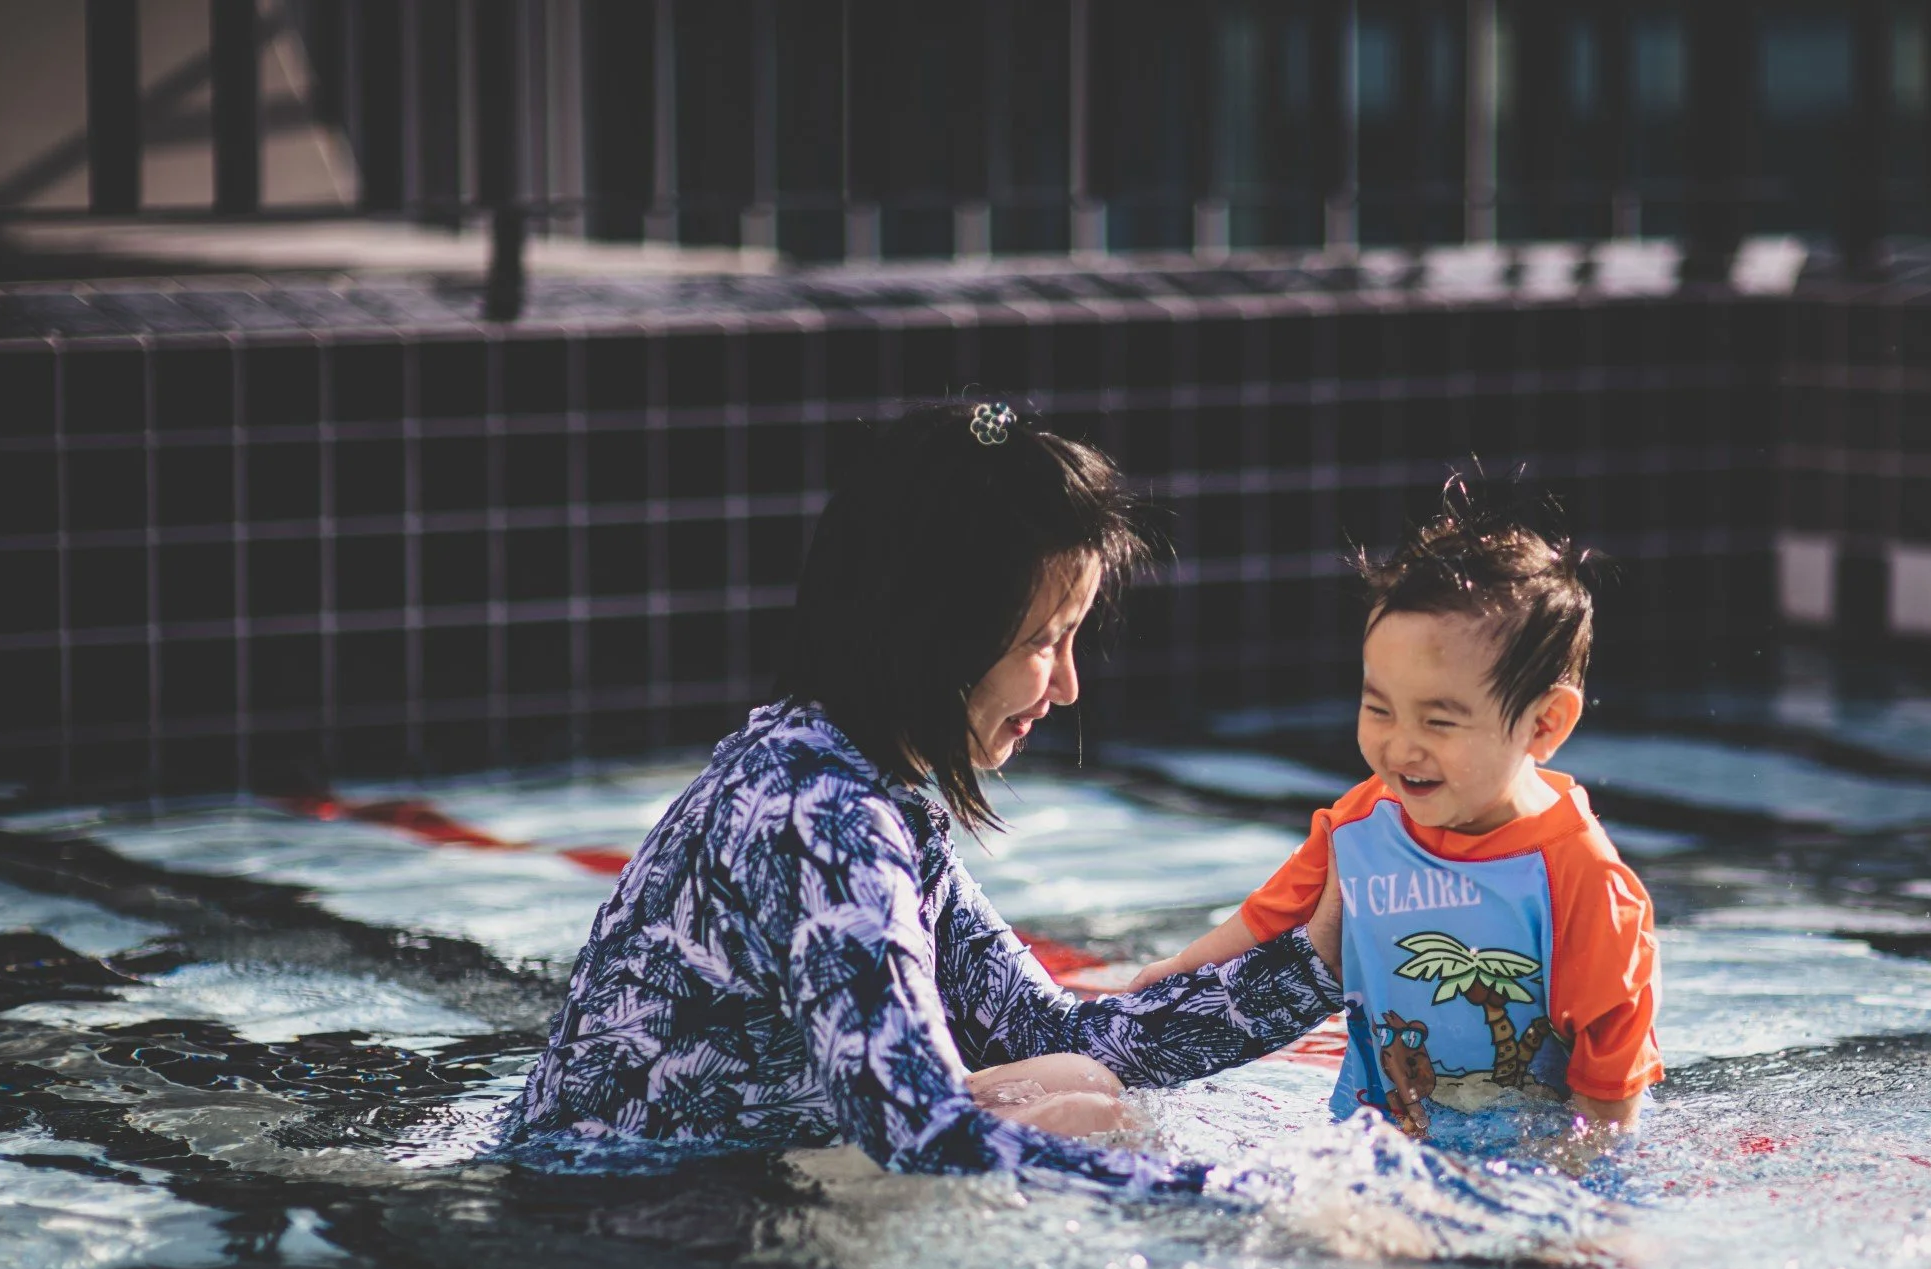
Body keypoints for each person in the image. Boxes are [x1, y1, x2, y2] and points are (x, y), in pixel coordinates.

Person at [501, 402, 1342, 1188]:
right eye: (1045, 642)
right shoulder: (817, 814)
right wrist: (1264, 1207)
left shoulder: (846, 779)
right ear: (939, 631)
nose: (1069, 686)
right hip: (617, 1221)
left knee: (1077, 1082)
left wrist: (1322, 958)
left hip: (682, 1202)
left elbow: (1057, 1035)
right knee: (1086, 1114)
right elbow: (921, 1132)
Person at [1131, 491, 1662, 1142]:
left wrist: (1572, 1183)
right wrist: (1180, 972)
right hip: (1369, 1140)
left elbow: (1611, 1077)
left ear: (1544, 724)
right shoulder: (1364, 820)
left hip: (1525, 1160)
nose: (1401, 747)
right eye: (1379, 708)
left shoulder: (1577, 874)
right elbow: (1272, 917)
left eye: (1438, 721)